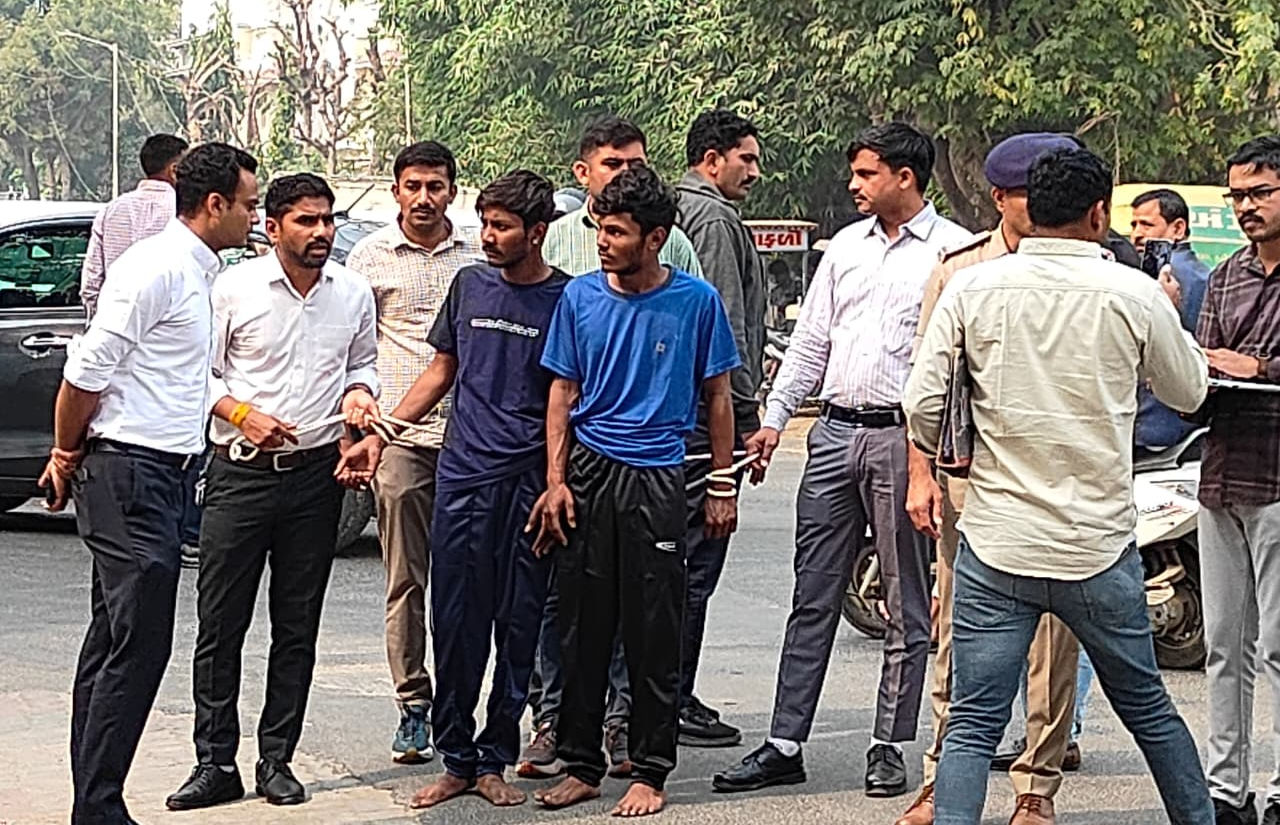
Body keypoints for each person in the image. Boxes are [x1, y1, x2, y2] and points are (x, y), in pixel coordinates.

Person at [904, 146, 1211, 825]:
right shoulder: (1133, 293)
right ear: (1099, 213)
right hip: (1095, 546)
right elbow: (1189, 392)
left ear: (1028, 209)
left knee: (973, 722)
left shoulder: (971, 289)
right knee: (1150, 710)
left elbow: (922, 408)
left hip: (997, 542)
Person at [712, 122, 970, 799]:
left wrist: (934, 457)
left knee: (904, 598)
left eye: (865, 174)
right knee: (813, 593)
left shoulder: (952, 252)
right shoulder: (846, 248)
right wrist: (774, 420)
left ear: (905, 177)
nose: (853, 185)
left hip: (904, 441)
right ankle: (784, 741)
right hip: (830, 434)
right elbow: (810, 343)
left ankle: (889, 743)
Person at [38, 142, 259, 825]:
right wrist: (64, 453)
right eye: (249, 204)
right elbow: (84, 374)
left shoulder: (198, 270)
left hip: (161, 474)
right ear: (214, 204)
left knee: (113, 641)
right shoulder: (155, 267)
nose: (255, 216)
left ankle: (93, 803)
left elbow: (182, 378)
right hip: (128, 471)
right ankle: (99, 808)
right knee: (138, 646)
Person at [346, 170, 570, 810]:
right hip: (464, 475)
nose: (488, 236)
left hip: (526, 483)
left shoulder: (566, 299)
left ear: (537, 232)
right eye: (486, 224)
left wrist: (556, 482)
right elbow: (441, 369)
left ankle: (495, 757)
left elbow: (565, 393)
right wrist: (384, 433)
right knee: (456, 621)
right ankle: (456, 759)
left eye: (502, 227)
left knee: (518, 624)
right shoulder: (469, 284)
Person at [527, 165, 741, 818]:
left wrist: (722, 484)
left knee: (654, 628)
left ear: (655, 237)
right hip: (589, 473)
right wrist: (556, 481)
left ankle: (650, 769)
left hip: (659, 476)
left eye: (617, 232)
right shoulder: (580, 297)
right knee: (582, 624)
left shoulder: (696, 301)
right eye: (600, 229)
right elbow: (562, 392)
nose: (603, 242)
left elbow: (719, 397)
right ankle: (582, 764)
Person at [162, 173, 378, 810]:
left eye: (327, 220)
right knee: (220, 623)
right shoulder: (233, 288)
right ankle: (214, 762)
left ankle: (277, 759)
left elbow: (362, 362)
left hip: (315, 478)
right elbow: (198, 373)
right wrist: (240, 414)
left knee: (297, 625)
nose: (321, 232)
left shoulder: (351, 292)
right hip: (240, 473)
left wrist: (359, 395)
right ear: (273, 226)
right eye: (306, 221)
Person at [894, 132, 1082, 825]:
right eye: (1031, 194)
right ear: (1001, 198)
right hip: (970, 484)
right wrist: (920, 473)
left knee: (1053, 642)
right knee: (957, 634)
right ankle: (940, 779)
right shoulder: (959, 270)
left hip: (1060, 484)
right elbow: (925, 387)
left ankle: (1036, 787)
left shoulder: (1097, 267)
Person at [345, 140, 483, 765]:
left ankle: (463, 705)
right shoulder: (369, 257)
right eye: (413, 186)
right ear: (396, 190)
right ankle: (413, 704)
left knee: (470, 580)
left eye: (436, 186)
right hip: (399, 441)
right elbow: (353, 349)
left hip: (472, 441)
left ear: (452, 190)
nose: (424, 198)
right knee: (406, 579)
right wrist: (357, 427)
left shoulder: (478, 254)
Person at [673, 109, 766, 748]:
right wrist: (744, 415)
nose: (753, 172)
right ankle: (672, 699)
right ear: (712, 160)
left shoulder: (687, 211)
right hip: (707, 422)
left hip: (684, 418)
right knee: (692, 570)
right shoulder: (710, 218)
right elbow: (723, 325)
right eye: (746, 159)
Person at [1196, 134, 1280, 825]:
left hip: (1278, 478)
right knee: (1224, 645)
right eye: (1237, 197)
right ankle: (1226, 789)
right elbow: (1202, 361)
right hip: (1221, 473)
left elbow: (1245, 364)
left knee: (1279, 647)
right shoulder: (1226, 275)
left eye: (1260, 193)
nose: (1246, 207)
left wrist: (1259, 368)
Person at [1129, 188, 1212, 454]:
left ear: (1178, 229)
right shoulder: (1207, 275)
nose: (1136, 234)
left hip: (1157, 426)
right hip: (1181, 423)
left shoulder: (1166, 277)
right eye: (1133, 224)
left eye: (1146, 224)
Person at [79, 133, 190, 322]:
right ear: (174, 170)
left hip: (113, 322)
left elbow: (91, 283)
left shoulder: (111, 210)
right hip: (167, 325)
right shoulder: (185, 211)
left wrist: (103, 319)